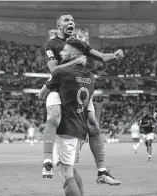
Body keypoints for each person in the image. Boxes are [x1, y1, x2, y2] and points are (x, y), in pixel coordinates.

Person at [41, 12, 124, 182]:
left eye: (72, 20)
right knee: (55, 117)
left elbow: (101, 57)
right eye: (66, 20)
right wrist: (77, 61)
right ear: (58, 25)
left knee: (93, 125)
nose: (71, 22)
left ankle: (102, 172)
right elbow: (55, 71)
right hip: (60, 87)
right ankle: (48, 159)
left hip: (79, 87)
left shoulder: (80, 45)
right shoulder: (52, 44)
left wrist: (114, 56)